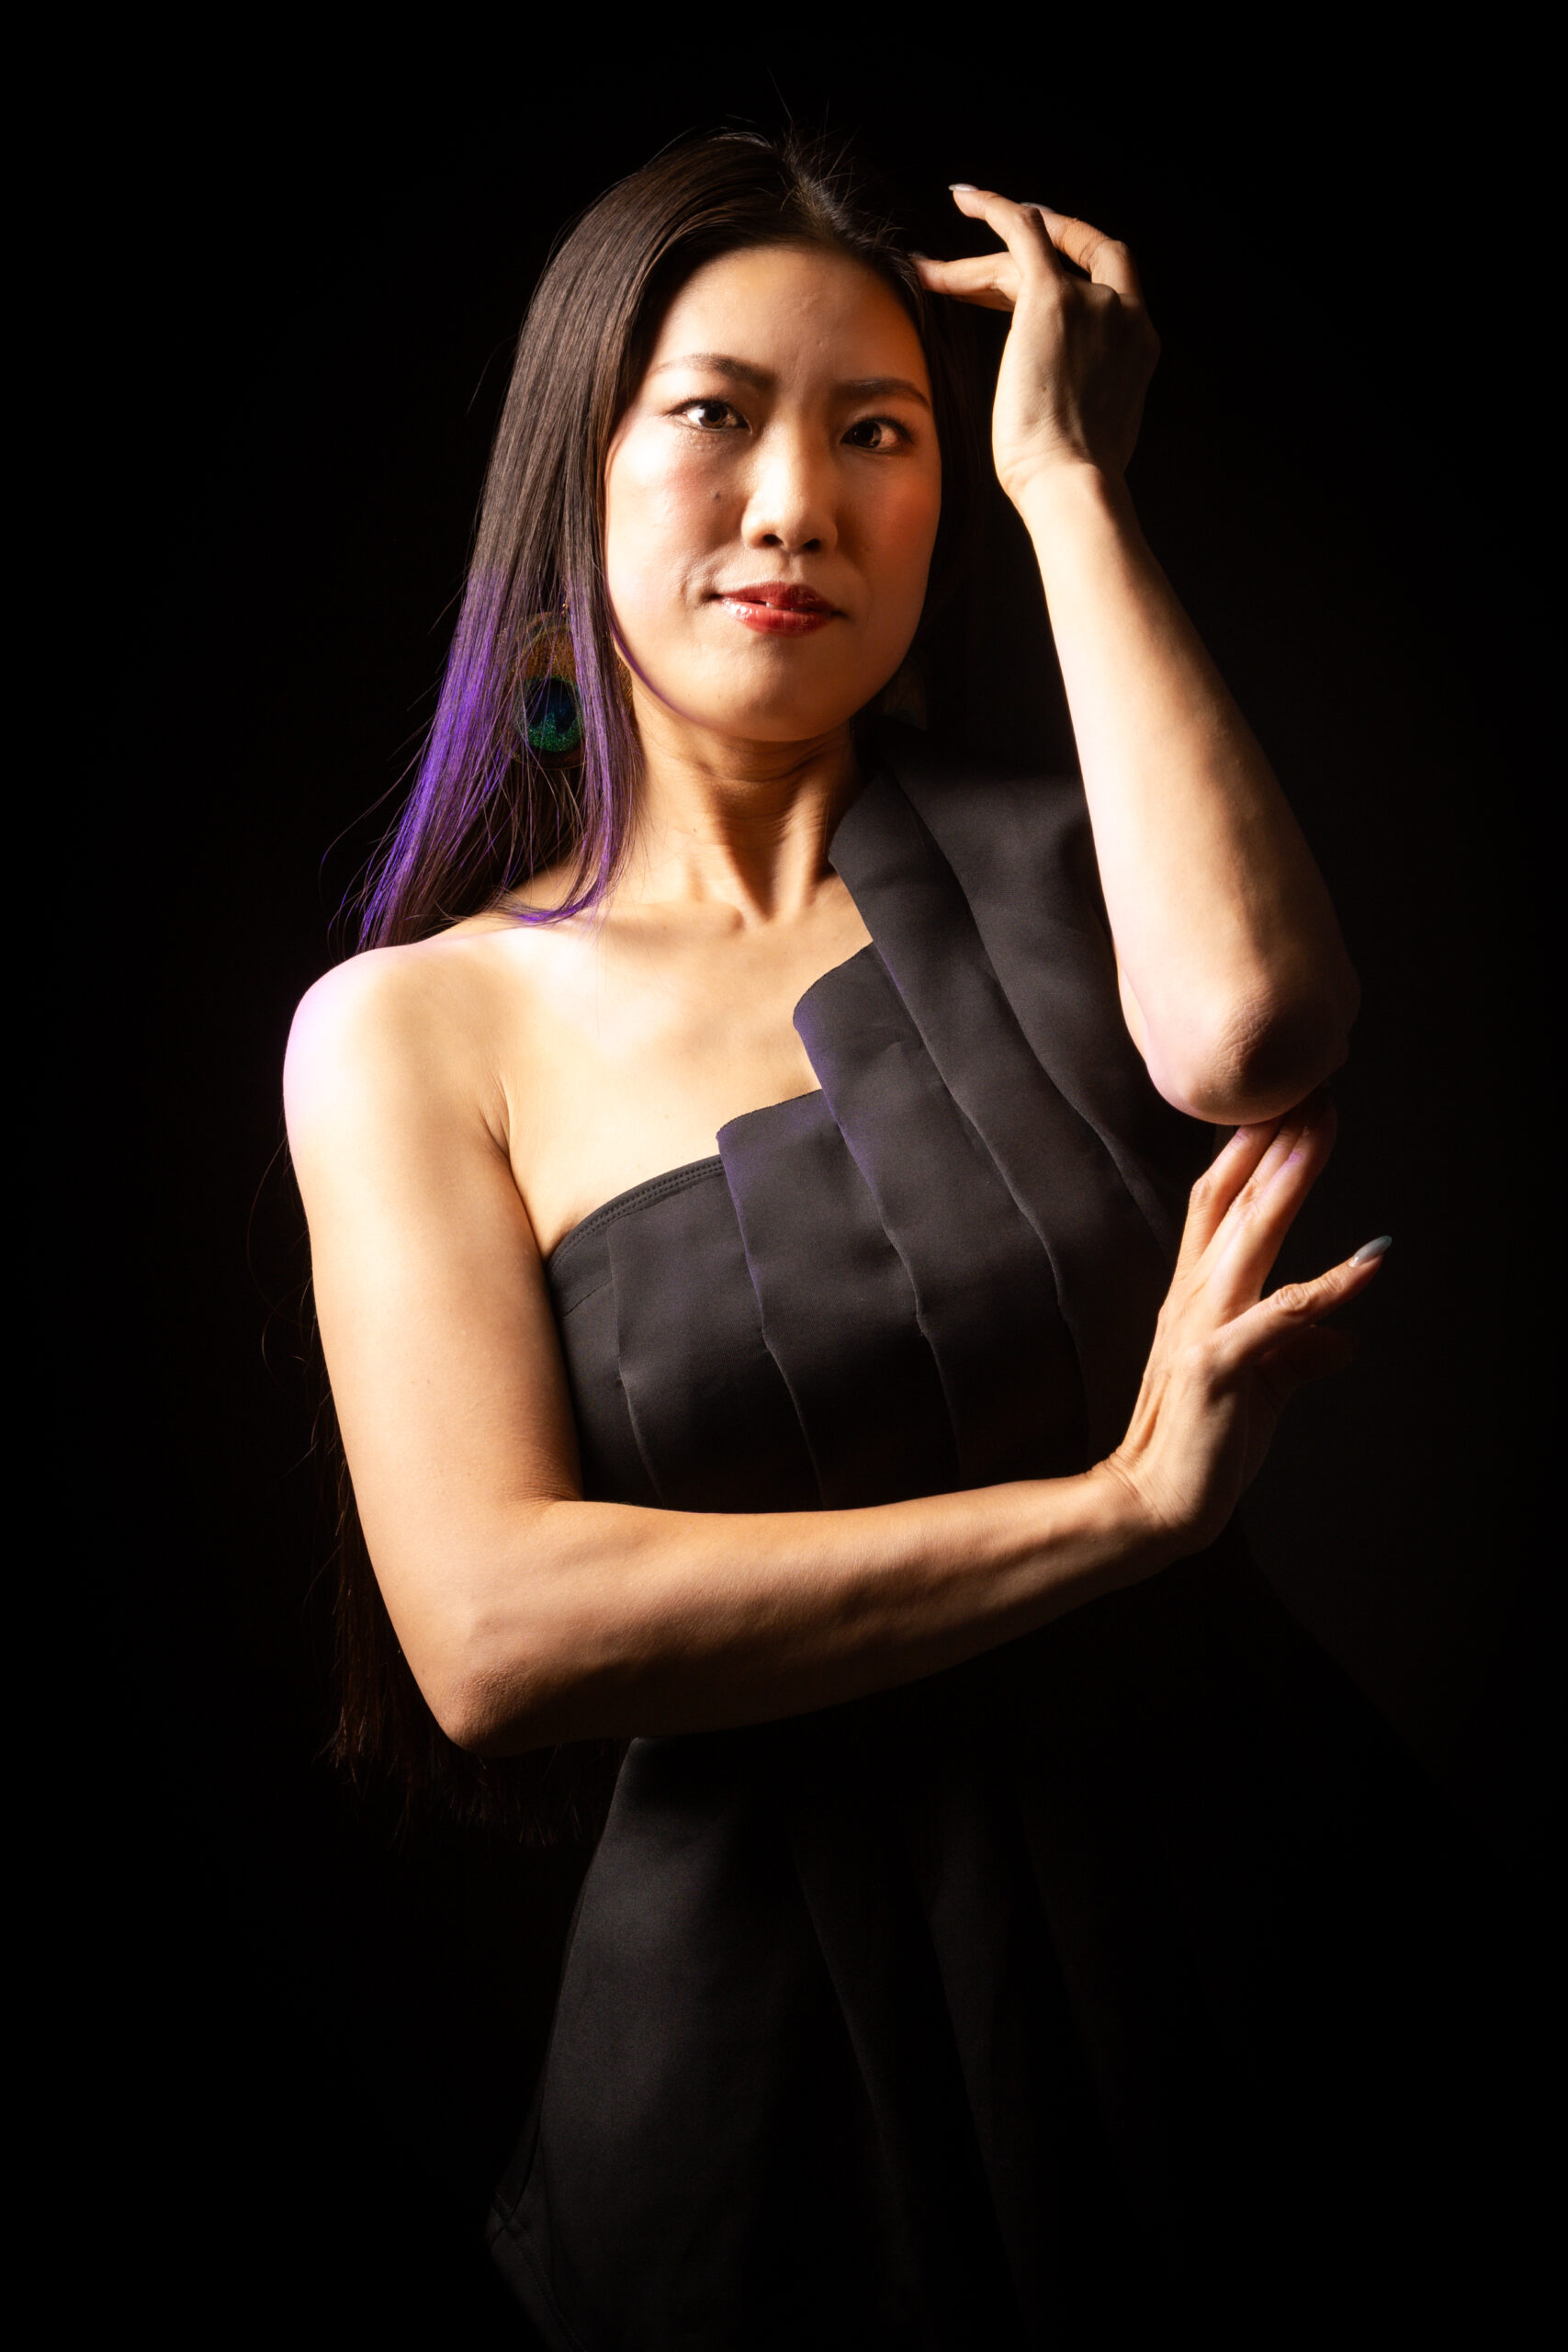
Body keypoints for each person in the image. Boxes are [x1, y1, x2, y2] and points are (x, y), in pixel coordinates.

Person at [285, 132, 1456, 2346]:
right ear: (575, 472)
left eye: (880, 433)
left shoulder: (1066, 868)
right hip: (769, 2085)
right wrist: (1123, 1509)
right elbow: (494, 1631)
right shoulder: (416, 1027)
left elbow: (1252, 1029)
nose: (796, 502)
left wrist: (1068, 481)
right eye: (714, 414)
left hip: (1242, 1922)